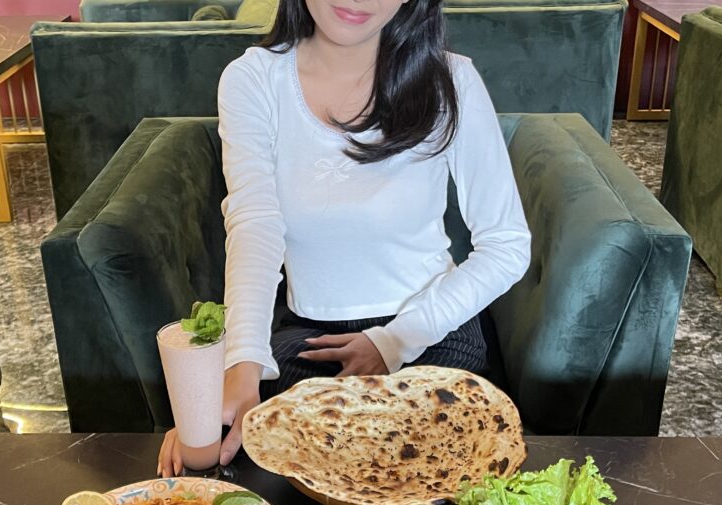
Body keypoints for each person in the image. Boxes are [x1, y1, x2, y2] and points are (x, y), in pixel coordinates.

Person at [159, 0, 531, 476]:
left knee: (415, 470)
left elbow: (507, 244)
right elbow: (255, 225)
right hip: (311, 339)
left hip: (431, 331)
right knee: (242, 457)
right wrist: (241, 367)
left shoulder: (451, 80)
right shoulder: (254, 79)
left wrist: (393, 341)